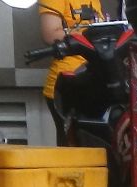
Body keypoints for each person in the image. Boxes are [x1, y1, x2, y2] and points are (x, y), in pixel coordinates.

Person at [38, 0, 116, 139]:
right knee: (72, 144)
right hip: (67, 83)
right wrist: (89, 34)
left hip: (93, 80)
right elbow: (50, 34)